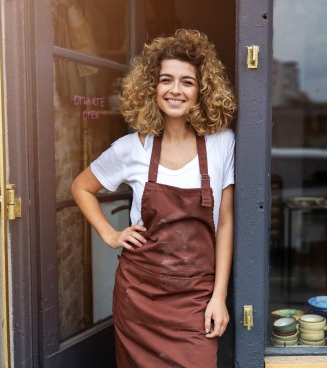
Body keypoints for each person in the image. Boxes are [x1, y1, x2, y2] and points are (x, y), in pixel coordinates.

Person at [71, 29, 236, 367]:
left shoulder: (222, 143)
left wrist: (219, 297)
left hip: (195, 297)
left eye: (187, 82)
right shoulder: (132, 148)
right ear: (152, 87)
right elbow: (81, 187)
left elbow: (226, 222)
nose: (175, 90)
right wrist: (111, 234)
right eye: (166, 80)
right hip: (140, 298)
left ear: (202, 90)